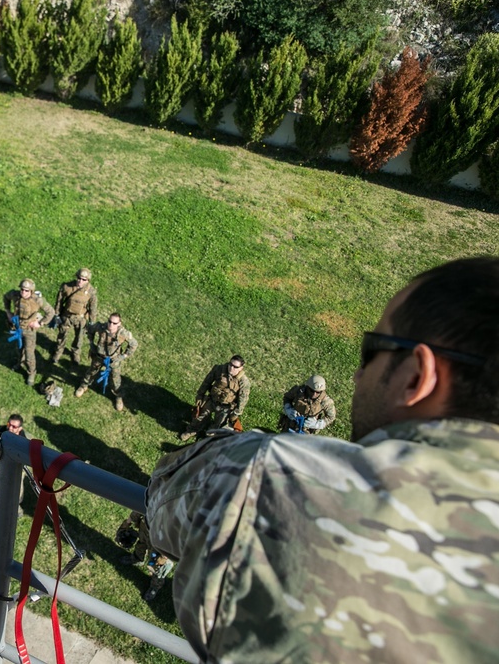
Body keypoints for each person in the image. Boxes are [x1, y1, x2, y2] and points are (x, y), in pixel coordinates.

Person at [145, 256, 499, 662]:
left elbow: (164, 500)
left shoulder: (268, 477)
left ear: (416, 377)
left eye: (371, 352)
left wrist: (253, 449)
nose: (357, 376)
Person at [178, 355, 250, 441]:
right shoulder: (219, 369)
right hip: (212, 400)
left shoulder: (244, 381)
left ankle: (209, 436)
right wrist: (200, 395)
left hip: (226, 406)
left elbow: (243, 398)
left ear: (241, 368)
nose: (231, 368)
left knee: (218, 426)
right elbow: (207, 382)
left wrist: (236, 412)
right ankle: (192, 431)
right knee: (200, 417)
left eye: (235, 367)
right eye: (230, 364)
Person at [74, 312, 137, 412]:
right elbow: (89, 330)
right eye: (110, 321)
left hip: (113, 360)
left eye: (114, 323)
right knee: (91, 372)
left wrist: (123, 356)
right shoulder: (101, 327)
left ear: (119, 324)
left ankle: (118, 396)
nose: (111, 325)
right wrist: (91, 343)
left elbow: (134, 344)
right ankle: (84, 386)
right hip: (99, 357)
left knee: (115, 378)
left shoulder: (123, 334)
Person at [3, 279, 55, 386]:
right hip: (17, 327)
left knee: (29, 353)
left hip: (29, 330)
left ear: (31, 291)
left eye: (26, 290)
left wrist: (40, 323)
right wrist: (8, 312)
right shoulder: (15, 295)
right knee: (18, 348)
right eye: (22, 289)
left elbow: (51, 312)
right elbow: (6, 297)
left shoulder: (37, 300)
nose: (23, 292)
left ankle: (31, 372)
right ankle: (19, 363)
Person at [115, 510, 176, 602]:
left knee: (158, 566)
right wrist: (128, 521)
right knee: (141, 544)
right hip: (146, 527)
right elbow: (142, 503)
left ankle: (155, 586)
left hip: (162, 539)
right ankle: (137, 559)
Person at [0, 414, 29, 516]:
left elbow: (26, 458)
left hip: (17, 468)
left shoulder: (25, 441)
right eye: (9, 424)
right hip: (0, 466)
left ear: (20, 428)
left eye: (14, 426)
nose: (10, 428)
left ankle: (16, 505)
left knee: (17, 488)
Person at [51, 268, 98, 365]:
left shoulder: (91, 292)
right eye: (79, 278)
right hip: (66, 316)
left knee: (79, 338)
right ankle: (59, 351)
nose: (80, 281)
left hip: (80, 318)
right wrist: (56, 314)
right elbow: (59, 301)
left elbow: (93, 308)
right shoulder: (67, 286)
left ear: (88, 280)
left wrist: (92, 322)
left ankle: (75, 353)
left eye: (84, 280)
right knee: (62, 335)